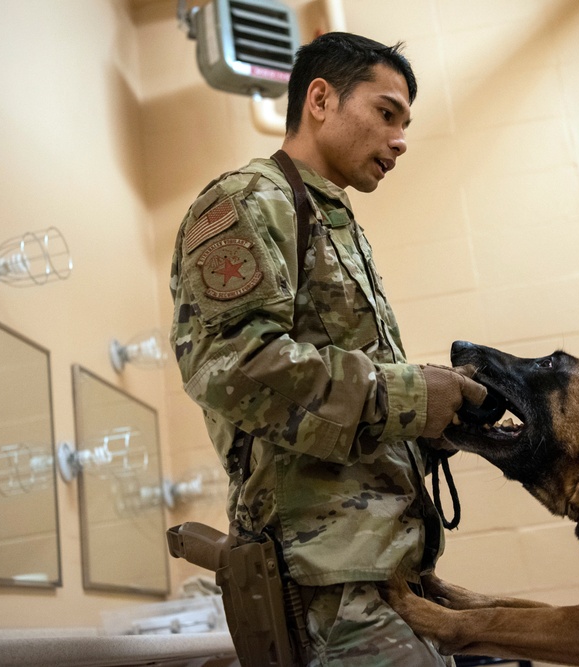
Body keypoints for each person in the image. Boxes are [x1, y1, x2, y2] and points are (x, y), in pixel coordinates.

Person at [169, 32, 486, 665]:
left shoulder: (332, 221)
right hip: (325, 582)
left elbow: (334, 408)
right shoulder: (249, 201)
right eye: (386, 113)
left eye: (405, 123)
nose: (400, 140)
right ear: (320, 99)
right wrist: (414, 395)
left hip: (379, 568)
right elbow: (236, 368)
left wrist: (429, 427)